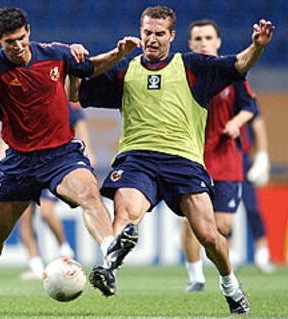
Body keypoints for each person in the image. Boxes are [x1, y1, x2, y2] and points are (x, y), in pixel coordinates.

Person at [77, 6, 274, 314]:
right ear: (140, 32)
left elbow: (238, 65)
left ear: (171, 35)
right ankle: (110, 269)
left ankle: (230, 285)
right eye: (147, 33)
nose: (152, 39)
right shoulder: (126, 70)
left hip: (184, 162)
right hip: (137, 159)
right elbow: (77, 93)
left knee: (209, 234)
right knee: (126, 214)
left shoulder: (193, 66)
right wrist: (91, 61)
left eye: (159, 34)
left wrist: (258, 46)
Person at [0, 7, 141, 313]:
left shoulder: (55, 53)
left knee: (89, 193)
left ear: (29, 31)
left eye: (21, 38)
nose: (17, 45)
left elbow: (89, 67)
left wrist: (119, 53)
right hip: (19, 161)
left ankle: (110, 249)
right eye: (9, 41)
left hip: (60, 154)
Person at [180, 19, 258, 293]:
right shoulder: (183, 73)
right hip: (192, 157)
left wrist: (237, 122)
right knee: (191, 221)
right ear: (190, 44)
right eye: (198, 39)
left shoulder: (231, 73)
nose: (203, 43)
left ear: (218, 41)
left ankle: (218, 260)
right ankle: (196, 277)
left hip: (225, 157)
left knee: (222, 223)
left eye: (208, 38)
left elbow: (250, 107)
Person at [0, 102, 96, 280]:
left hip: (54, 162)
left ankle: (64, 249)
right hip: (25, 164)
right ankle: (35, 264)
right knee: (24, 218)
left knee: (46, 211)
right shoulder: (23, 101)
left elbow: (81, 129)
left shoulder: (68, 104)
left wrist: (89, 152)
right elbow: (10, 129)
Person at [241, 115, 276, 273]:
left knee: (252, 209)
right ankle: (230, 255)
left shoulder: (243, 95)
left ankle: (262, 254)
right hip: (219, 161)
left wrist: (262, 158)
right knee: (220, 213)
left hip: (242, 162)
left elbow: (258, 126)